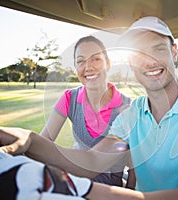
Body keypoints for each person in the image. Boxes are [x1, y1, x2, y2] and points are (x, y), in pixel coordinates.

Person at [0, 16, 178, 199]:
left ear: (174, 51)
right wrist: (29, 139)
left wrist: (86, 190)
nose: (149, 62)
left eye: (157, 49)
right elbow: (91, 162)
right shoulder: (131, 116)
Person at [39, 35, 132, 187]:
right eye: (81, 61)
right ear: (76, 68)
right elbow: (44, 141)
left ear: (108, 64)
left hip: (109, 191)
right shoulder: (69, 98)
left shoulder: (127, 107)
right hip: (74, 183)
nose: (88, 67)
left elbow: (133, 166)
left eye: (96, 59)